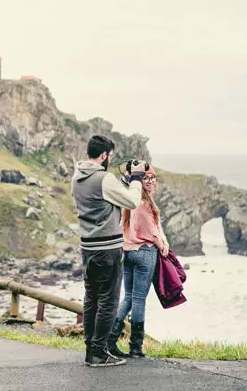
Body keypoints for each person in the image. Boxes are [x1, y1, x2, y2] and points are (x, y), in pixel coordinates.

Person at [71, 135, 148, 368]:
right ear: (104, 155)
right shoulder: (105, 178)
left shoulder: (76, 177)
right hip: (108, 248)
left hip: (88, 247)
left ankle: (90, 350)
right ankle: (99, 354)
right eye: (110, 156)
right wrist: (135, 179)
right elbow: (133, 201)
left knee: (91, 298)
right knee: (108, 301)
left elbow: (104, 198)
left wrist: (122, 180)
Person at [107, 165, 168, 359]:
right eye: (146, 178)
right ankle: (136, 347)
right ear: (139, 181)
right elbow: (150, 230)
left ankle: (110, 338)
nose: (151, 181)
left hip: (127, 251)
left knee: (129, 297)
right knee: (139, 299)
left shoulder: (130, 199)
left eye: (153, 178)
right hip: (144, 252)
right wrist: (162, 246)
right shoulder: (144, 203)